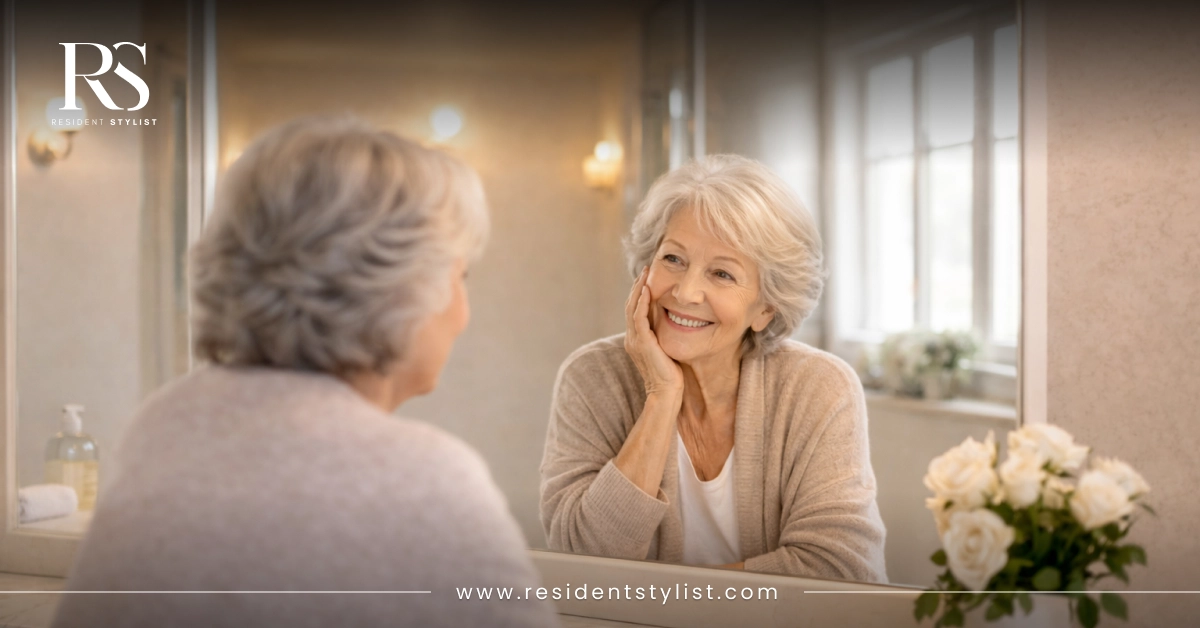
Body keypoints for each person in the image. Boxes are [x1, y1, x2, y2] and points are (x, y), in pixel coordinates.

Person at [52, 116, 559, 627]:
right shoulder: (425, 480)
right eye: (460, 275)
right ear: (397, 285)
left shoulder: (166, 422)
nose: (462, 311)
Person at [540, 155, 887, 582]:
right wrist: (661, 396)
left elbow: (840, 569)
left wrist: (671, 605)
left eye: (722, 273)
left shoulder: (818, 387)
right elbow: (583, 561)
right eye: (673, 259)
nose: (686, 292)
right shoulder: (592, 377)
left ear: (765, 308)